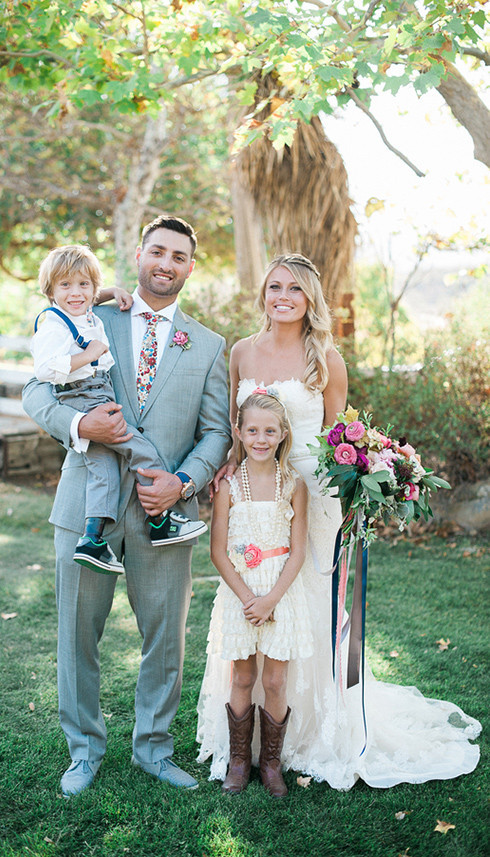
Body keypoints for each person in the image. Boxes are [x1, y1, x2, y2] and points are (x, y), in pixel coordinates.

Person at [197, 253, 481, 790]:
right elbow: (239, 427)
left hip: (313, 500)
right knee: (249, 603)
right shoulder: (241, 351)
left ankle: (307, 739)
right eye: (274, 286)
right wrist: (231, 468)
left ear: (310, 300)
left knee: (306, 613)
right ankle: (242, 748)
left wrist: (355, 491)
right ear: (264, 293)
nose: (282, 297)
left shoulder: (325, 358)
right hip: (253, 498)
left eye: (295, 289)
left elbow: (335, 438)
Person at [22, 216, 232, 796]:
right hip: (85, 506)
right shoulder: (89, 316)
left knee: (165, 638)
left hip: (163, 514)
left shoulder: (211, 346)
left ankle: (154, 750)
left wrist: (184, 483)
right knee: (76, 634)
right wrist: (79, 423)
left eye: (179, 256)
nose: (166, 263)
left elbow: (217, 433)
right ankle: (84, 752)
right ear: (139, 255)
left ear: (192, 266)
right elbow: (36, 389)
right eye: (157, 251)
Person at [31, 244, 208, 575]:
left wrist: (107, 291)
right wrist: (80, 422)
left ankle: (92, 539)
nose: (76, 292)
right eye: (66, 285)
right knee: (143, 453)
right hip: (87, 398)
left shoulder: (88, 312)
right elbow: (40, 377)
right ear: (138, 254)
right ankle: (162, 524)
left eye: (84, 285)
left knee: (105, 473)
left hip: (96, 394)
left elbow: (76, 297)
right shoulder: (56, 323)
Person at [209, 390, 311, 797]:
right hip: (240, 590)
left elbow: (299, 550)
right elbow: (218, 551)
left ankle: (270, 763)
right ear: (239, 432)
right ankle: (238, 761)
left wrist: (271, 599)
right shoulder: (229, 485)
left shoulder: (294, 484)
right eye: (252, 430)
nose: (261, 438)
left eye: (270, 431)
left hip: (282, 593)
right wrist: (248, 597)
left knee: (274, 680)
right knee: (243, 675)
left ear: (283, 434)